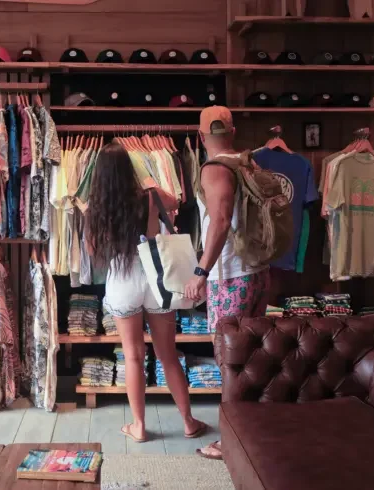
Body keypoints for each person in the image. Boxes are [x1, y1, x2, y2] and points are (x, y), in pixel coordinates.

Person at [87, 142, 206, 443]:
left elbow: (91, 250)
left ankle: (138, 426)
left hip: (122, 280)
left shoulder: (94, 207)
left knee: (133, 357)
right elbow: (175, 200)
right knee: (167, 356)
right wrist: (150, 183)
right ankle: (189, 422)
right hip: (156, 277)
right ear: (129, 168)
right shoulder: (149, 197)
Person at [185, 106, 271, 460]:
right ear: (232, 131)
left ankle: (230, 439)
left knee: (229, 359)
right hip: (256, 271)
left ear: (201, 135)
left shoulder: (215, 168)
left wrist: (201, 271)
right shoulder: (248, 163)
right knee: (251, 354)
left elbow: (219, 221)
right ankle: (255, 427)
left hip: (230, 275)